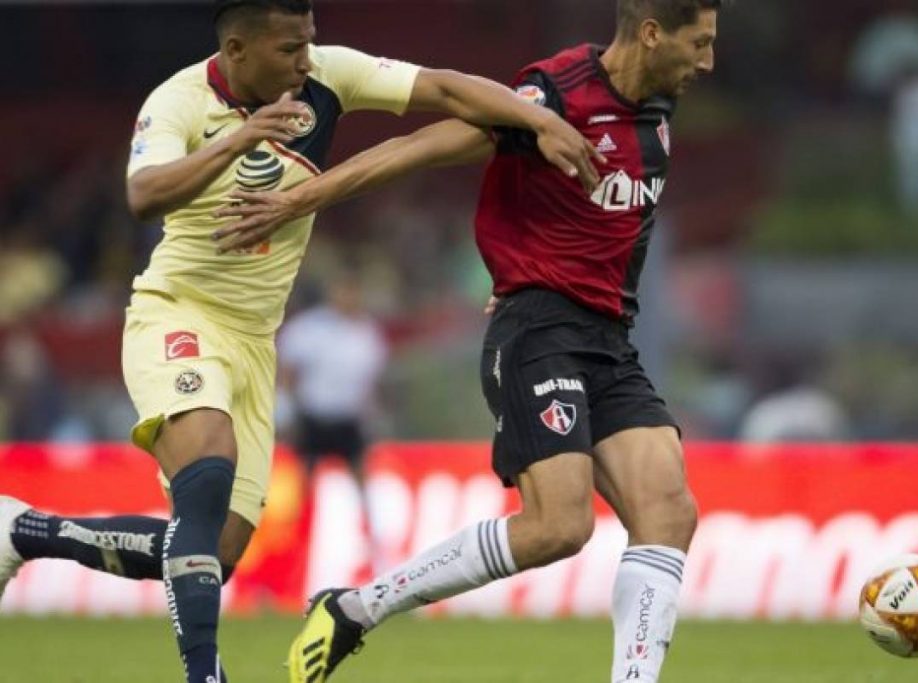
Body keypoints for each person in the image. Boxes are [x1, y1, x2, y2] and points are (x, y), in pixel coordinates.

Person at [0, 1, 602, 681]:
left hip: (256, 340)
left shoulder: (328, 77)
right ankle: (206, 673)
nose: (305, 60)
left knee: (212, 552)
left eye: (309, 43)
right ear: (236, 50)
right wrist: (236, 138)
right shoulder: (177, 101)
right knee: (207, 471)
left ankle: (26, 531)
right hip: (177, 314)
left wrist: (540, 118)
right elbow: (144, 195)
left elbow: (444, 87)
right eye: (289, 49)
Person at [215, 2, 720, 681]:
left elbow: (620, 226)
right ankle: (357, 608)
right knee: (558, 526)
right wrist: (295, 201)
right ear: (653, 33)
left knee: (669, 509)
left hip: (608, 336)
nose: (708, 63)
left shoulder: (659, 108)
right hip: (539, 328)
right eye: (701, 43)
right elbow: (412, 148)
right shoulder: (554, 95)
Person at [277, 271, 387, 485]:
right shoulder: (309, 328)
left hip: (348, 416)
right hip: (313, 415)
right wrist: (286, 409)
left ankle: (367, 517)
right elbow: (289, 372)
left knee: (361, 473)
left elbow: (370, 381)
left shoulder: (368, 333)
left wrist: (373, 414)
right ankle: (303, 516)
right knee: (305, 475)